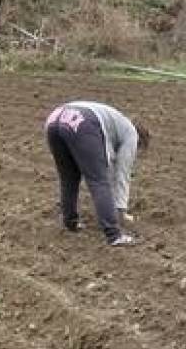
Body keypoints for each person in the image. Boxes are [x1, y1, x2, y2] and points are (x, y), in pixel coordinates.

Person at [44, 101, 148, 247]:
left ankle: (70, 222)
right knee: (98, 181)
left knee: (68, 177)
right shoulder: (131, 134)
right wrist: (120, 210)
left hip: (54, 119)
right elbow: (121, 173)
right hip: (83, 122)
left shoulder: (114, 124)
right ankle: (114, 235)